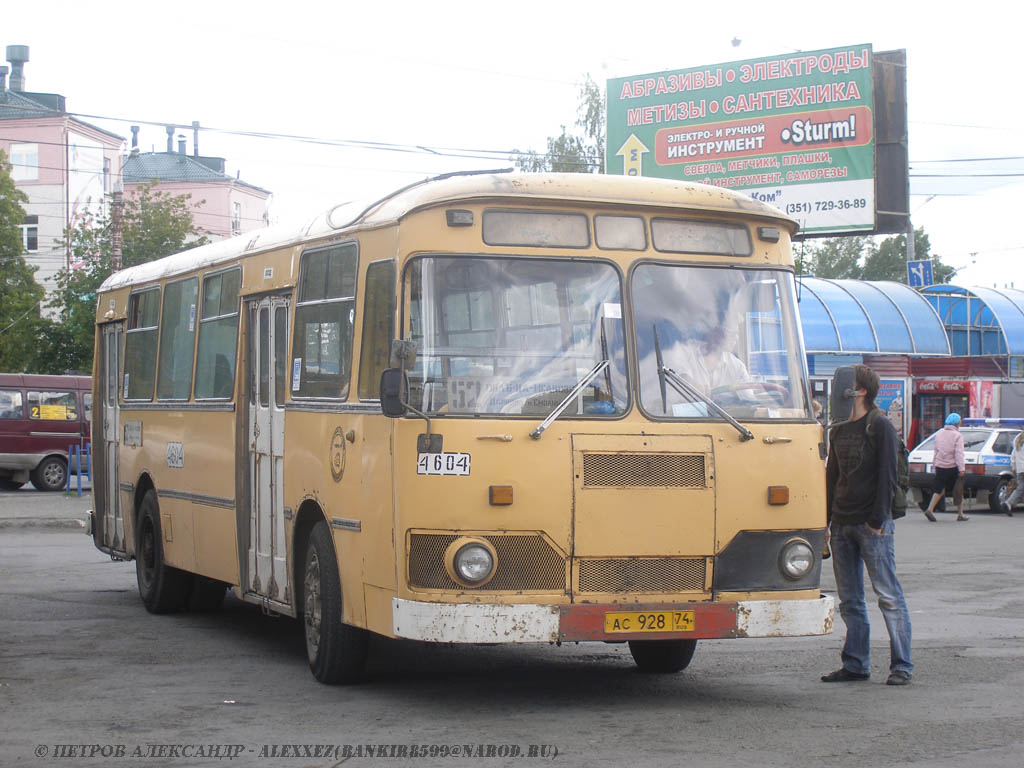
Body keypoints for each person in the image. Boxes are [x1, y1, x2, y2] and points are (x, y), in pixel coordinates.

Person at [822, 364, 913, 686]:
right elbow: (831, 476)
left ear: (859, 390)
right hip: (842, 524)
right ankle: (856, 664)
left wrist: (877, 520)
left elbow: (888, 475)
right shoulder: (839, 429)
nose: (836, 390)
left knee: (888, 596)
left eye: (843, 384)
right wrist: (825, 521)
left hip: (871, 525)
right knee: (851, 602)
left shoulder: (880, 425)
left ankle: (902, 665)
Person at [922, 413, 967, 522]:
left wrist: (935, 466)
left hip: (940, 465)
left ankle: (930, 509)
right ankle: (960, 514)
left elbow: (936, 451)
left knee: (939, 489)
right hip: (952, 467)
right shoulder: (957, 435)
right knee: (958, 490)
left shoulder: (939, 434)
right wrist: (961, 468)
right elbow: (959, 453)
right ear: (957, 422)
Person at [1002, 432, 1024, 516]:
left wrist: (1013, 466)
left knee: (1020, 488)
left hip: (1020, 468)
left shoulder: (1018, 437)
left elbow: (1013, 453)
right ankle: (1009, 503)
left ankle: (1009, 504)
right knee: (1021, 489)